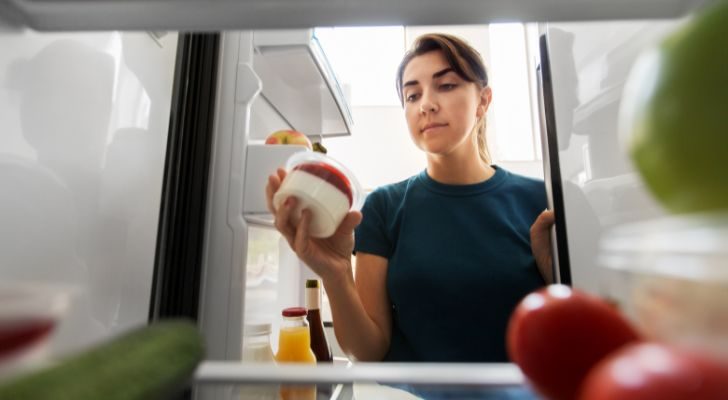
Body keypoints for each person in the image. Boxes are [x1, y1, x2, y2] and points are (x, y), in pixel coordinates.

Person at [266, 33, 555, 363]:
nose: (426, 104)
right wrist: (336, 274)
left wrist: (558, 280)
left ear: (483, 101)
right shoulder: (383, 208)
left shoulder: (540, 200)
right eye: (412, 94)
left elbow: (582, 333)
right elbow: (368, 350)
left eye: (445, 86)